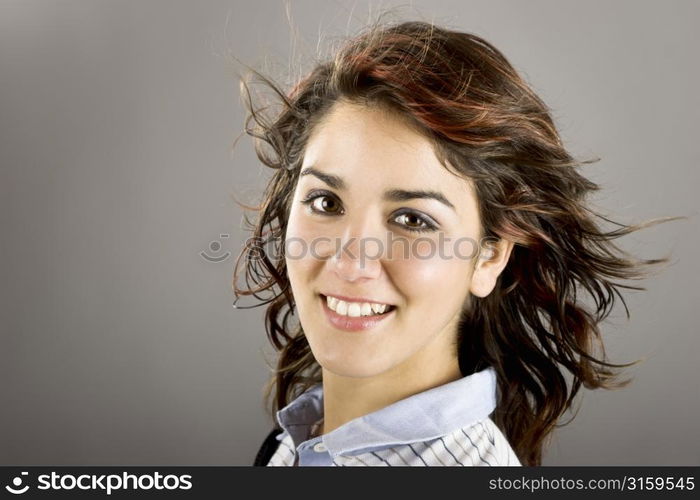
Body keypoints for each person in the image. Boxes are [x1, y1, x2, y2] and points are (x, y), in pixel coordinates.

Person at [231, 19, 676, 466]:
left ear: (490, 256)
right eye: (326, 202)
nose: (350, 262)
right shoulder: (294, 442)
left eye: (412, 219)